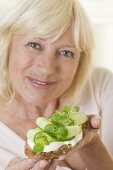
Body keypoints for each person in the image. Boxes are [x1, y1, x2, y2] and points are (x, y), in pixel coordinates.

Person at [0, 0, 113, 169]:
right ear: (7, 43)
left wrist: (93, 145)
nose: (46, 69)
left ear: (80, 60)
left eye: (66, 52)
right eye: (34, 45)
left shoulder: (101, 86)